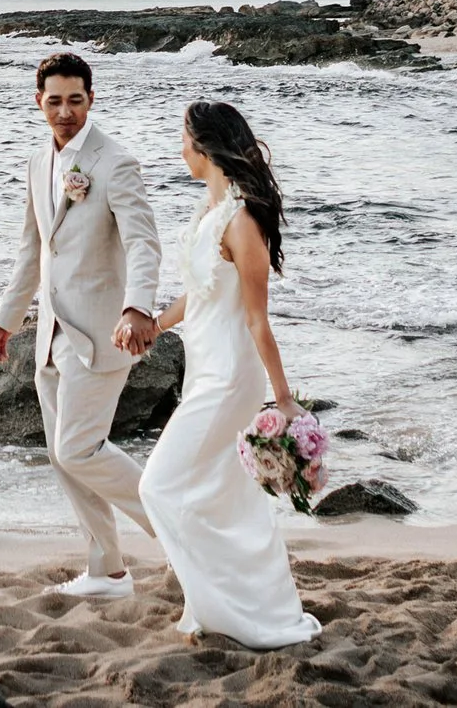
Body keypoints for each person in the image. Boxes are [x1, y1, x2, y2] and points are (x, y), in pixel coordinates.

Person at [137, 100, 321, 649]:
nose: (179, 150)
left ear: (205, 147)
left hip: (229, 376)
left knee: (158, 485)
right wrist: (153, 326)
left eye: (184, 139)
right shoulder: (208, 212)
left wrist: (284, 400)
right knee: (219, 492)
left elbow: (257, 322)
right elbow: (198, 296)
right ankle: (224, 604)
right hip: (203, 368)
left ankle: (231, 606)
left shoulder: (243, 222)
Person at [0, 52, 165, 599]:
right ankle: (107, 568)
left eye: (76, 100)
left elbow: (143, 242)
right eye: (55, 100)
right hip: (50, 338)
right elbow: (32, 250)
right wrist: (3, 322)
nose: (65, 112)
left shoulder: (115, 162)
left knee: (79, 449)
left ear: (91, 99)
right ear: (38, 102)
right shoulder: (39, 163)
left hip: (104, 333)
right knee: (66, 459)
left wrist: (138, 308)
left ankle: (183, 528)